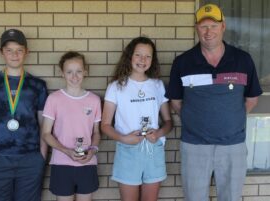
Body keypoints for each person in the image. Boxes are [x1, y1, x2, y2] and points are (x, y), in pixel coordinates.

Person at [166, 4, 263, 201]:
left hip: (232, 145)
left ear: (223, 26)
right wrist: (196, 120)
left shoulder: (242, 60)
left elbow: (252, 99)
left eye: (213, 25)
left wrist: (230, 119)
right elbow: (176, 102)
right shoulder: (183, 62)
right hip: (194, 145)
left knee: (231, 197)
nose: (208, 31)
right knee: (194, 198)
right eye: (203, 26)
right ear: (196, 29)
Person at [0, 29, 48, 201]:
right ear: (1, 53)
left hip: (30, 159)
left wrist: (41, 158)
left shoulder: (37, 85)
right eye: (9, 50)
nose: (14, 55)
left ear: (26, 52)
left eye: (19, 50)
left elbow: (44, 124)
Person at [101, 36, 172, 201]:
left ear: (152, 60)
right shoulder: (116, 86)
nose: (143, 60)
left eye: (148, 56)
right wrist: (124, 138)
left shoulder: (157, 85)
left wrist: (158, 133)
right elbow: (105, 125)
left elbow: (168, 122)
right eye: (138, 55)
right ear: (130, 56)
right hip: (127, 151)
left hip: (153, 151)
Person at [42, 51, 101, 201]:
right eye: (69, 72)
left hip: (87, 163)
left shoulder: (94, 100)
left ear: (85, 72)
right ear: (62, 73)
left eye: (79, 71)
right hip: (62, 163)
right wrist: (66, 151)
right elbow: (46, 134)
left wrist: (93, 150)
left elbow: (96, 132)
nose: (74, 76)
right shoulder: (54, 99)